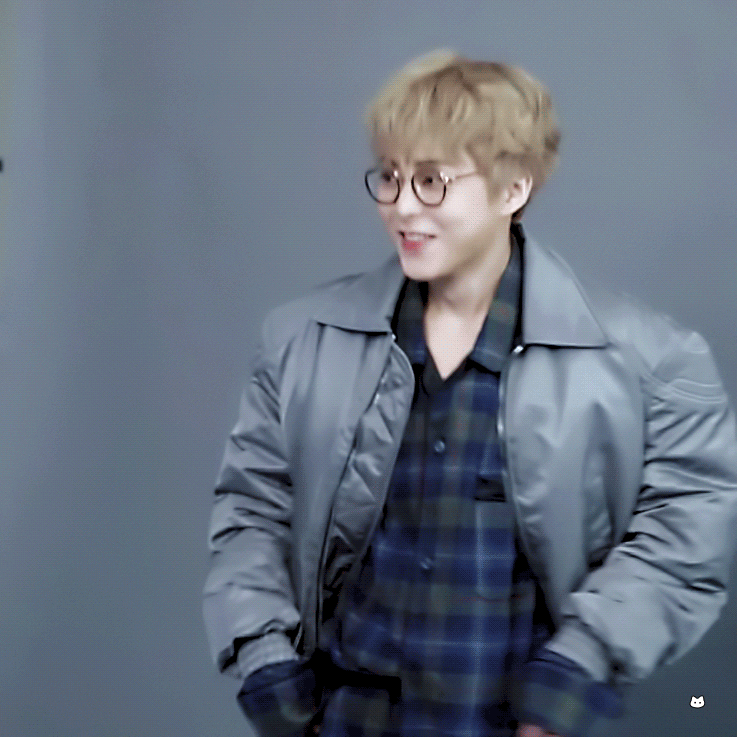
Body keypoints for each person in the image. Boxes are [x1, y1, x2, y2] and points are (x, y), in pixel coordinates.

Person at [203, 49, 737, 737]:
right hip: (340, 719)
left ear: (512, 189)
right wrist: (266, 665)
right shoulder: (300, 340)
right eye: (390, 176)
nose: (401, 206)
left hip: (517, 721)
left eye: (431, 181)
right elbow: (251, 511)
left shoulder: (650, 359)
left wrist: (579, 669)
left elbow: (685, 533)